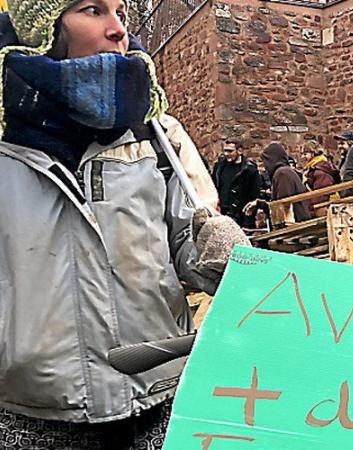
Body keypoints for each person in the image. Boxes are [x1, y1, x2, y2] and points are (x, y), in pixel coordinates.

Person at [0, 1, 247, 448]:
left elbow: (192, 247)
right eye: (93, 10)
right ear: (44, 27)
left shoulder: (158, 133)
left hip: (159, 404)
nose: (118, 30)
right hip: (29, 417)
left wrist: (218, 249)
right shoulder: (6, 144)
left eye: (122, 13)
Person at [212, 139, 262, 228]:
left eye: (230, 151)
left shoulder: (249, 170)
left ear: (239, 151)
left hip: (241, 215)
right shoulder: (219, 167)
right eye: (225, 151)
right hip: (221, 213)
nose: (226, 154)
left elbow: (255, 194)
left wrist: (248, 219)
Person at [260, 142, 312, 222]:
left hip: (295, 223)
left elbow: (283, 205)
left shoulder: (282, 174)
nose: (265, 166)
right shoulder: (285, 171)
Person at [301, 147, 340, 214]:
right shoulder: (312, 169)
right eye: (302, 154)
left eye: (305, 154)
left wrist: (309, 210)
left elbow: (320, 196)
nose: (302, 157)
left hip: (321, 210)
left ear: (313, 154)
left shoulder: (320, 172)